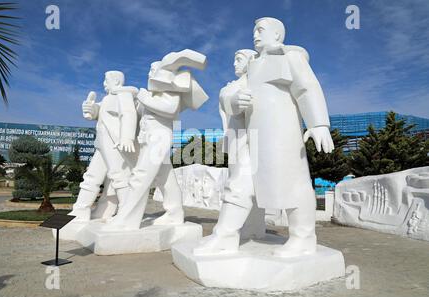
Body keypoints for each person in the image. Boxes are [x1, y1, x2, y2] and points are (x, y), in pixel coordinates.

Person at [195, 18, 334, 258]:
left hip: (284, 134)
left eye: (260, 30)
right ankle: (224, 236)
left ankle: (303, 237)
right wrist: (234, 101)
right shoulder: (252, 67)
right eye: (253, 31)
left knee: (295, 183)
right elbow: (231, 94)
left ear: (277, 35)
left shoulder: (289, 57)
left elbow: (307, 88)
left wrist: (319, 123)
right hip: (255, 136)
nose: (254, 35)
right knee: (239, 183)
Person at [103, 49, 208, 230]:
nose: (150, 73)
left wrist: (142, 97)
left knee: (141, 175)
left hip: (160, 136)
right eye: (149, 70)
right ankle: (174, 213)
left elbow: (170, 109)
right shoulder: (152, 94)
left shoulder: (170, 91)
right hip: (148, 136)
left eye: (153, 70)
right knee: (164, 178)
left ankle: (127, 219)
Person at [69, 71, 138, 222]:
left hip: (115, 144)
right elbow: (97, 112)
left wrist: (127, 137)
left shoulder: (123, 95)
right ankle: (81, 210)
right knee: (92, 177)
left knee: (119, 177)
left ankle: (128, 213)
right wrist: (90, 108)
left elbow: (129, 114)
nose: (104, 84)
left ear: (117, 82)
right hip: (102, 145)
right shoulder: (107, 99)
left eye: (106, 80)